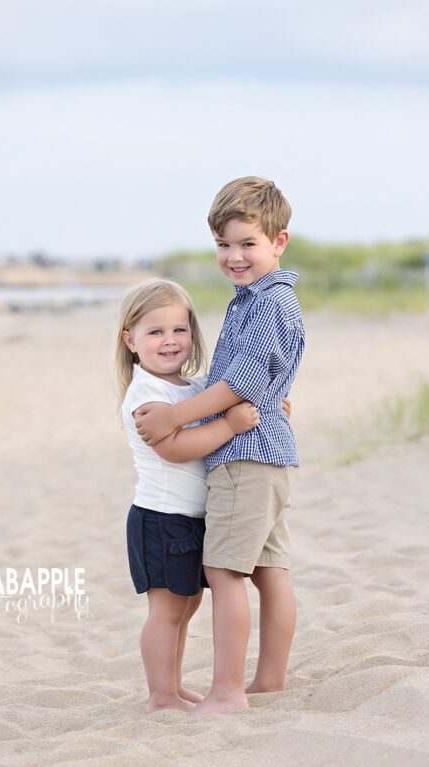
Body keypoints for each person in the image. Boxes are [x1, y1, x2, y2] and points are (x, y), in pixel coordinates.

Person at [135, 177, 305, 716]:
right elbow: (259, 378)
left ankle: (229, 691)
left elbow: (237, 384)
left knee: (225, 572)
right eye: (223, 246)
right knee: (270, 571)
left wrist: (173, 416)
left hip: (244, 458)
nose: (233, 257)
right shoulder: (269, 300)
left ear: (279, 242)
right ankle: (270, 678)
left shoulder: (264, 305)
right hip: (272, 453)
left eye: (247, 244)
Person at [116, 278, 260, 712]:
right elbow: (176, 449)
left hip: (188, 519)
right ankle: (161, 695)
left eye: (179, 330)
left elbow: (224, 401)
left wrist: (266, 408)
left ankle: (174, 688)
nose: (170, 341)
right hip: (161, 518)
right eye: (155, 332)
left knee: (187, 605)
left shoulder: (193, 388)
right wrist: (232, 425)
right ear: (131, 340)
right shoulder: (147, 394)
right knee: (166, 611)